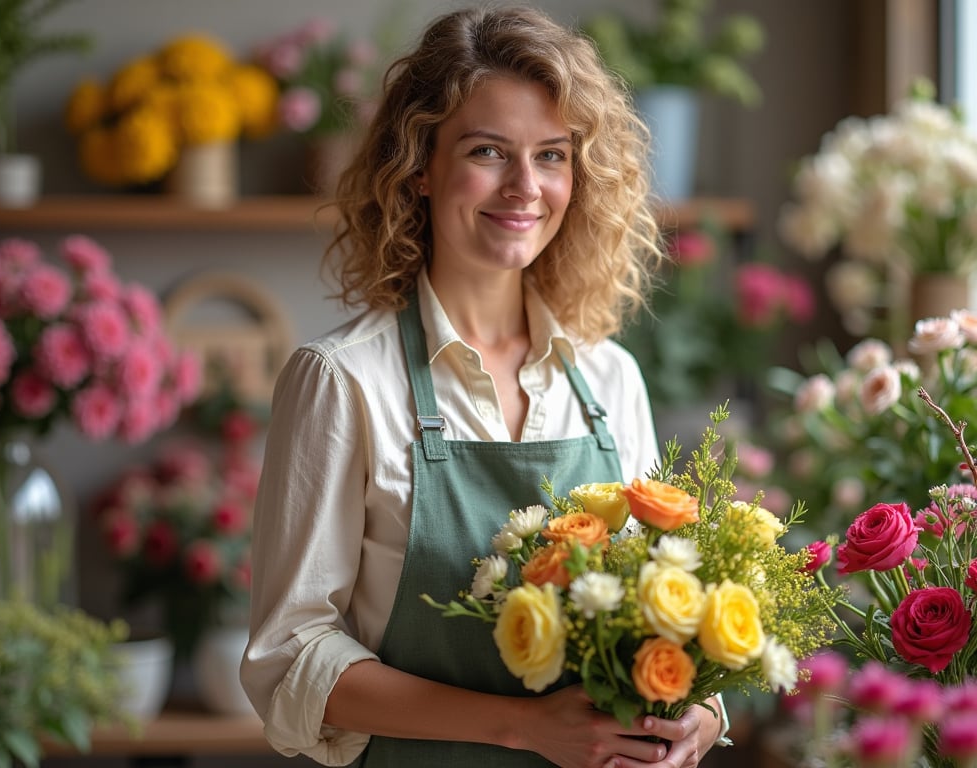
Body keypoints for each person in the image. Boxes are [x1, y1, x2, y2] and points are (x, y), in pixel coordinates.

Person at [240, 5, 729, 767]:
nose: (525, 187)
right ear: (421, 168)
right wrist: (523, 726)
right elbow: (291, 657)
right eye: (488, 151)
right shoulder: (343, 380)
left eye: (553, 156)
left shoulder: (607, 378)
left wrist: (699, 710)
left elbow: (658, 613)